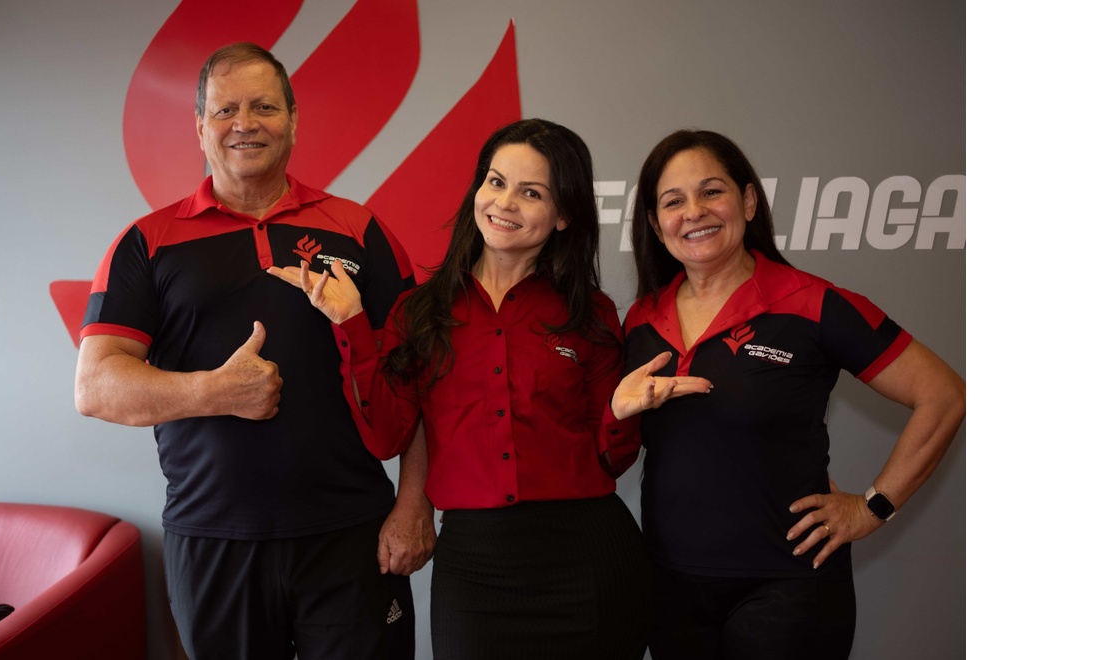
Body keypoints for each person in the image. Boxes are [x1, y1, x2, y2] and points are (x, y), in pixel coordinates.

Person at [270, 118, 710, 659]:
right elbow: (385, 438)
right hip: (474, 569)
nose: (505, 203)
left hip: (589, 561)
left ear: (564, 215)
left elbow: (612, 460)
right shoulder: (419, 312)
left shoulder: (591, 313)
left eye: (532, 193)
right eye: (496, 182)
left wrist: (621, 414)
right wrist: (353, 325)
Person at [73, 42, 433, 660]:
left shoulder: (359, 229)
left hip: (351, 531)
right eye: (225, 110)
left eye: (264, 106)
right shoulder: (147, 242)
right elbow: (95, 387)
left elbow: (421, 377)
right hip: (213, 537)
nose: (245, 123)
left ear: (293, 120)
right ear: (200, 127)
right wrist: (214, 390)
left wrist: (414, 502)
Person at [620, 129, 966, 659]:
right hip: (672, 591)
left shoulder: (813, 303)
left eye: (711, 191)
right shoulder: (640, 319)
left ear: (748, 201)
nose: (694, 212)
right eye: (673, 201)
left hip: (788, 589)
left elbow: (944, 395)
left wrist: (872, 507)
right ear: (653, 222)